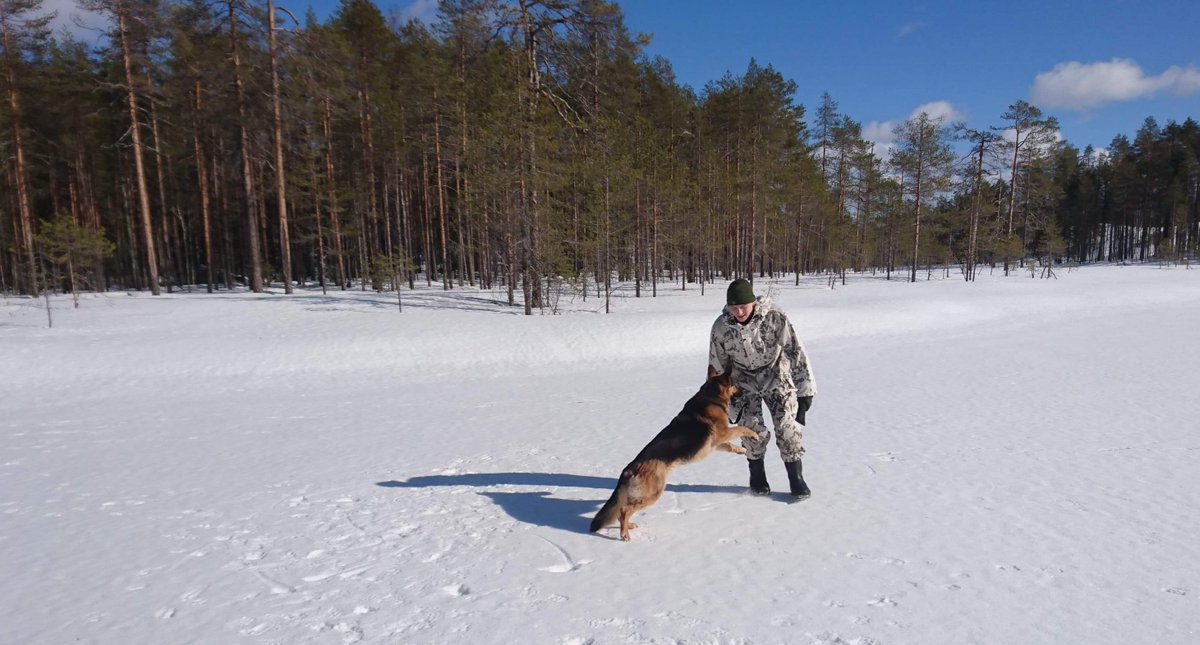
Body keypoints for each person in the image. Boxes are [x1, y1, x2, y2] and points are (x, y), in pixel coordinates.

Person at [708, 278, 816, 498]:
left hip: (776, 375)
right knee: (751, 429)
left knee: (787, 428)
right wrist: (719, 401)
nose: (739, 312)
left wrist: (805, 389)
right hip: (742, 381)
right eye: (734, 307)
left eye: (743, 307)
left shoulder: (775, 318)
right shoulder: (721, 327)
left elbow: (796, 351)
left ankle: (796, 478)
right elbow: (717, 365)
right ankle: (757, 475)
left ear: (753, 303)